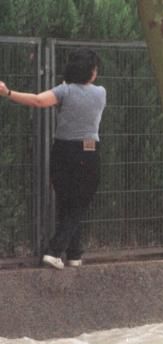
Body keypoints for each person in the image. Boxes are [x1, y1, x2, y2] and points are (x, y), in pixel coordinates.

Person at [0, 48, 106, 270]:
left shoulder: (64, 91)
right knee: (79, 204)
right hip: (89, 151)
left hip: (62, 151)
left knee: (66, 201)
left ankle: (74, 254)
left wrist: (8, 93)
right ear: (91, 72)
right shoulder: (100, 93)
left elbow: (38, 101)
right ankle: (54, 251)